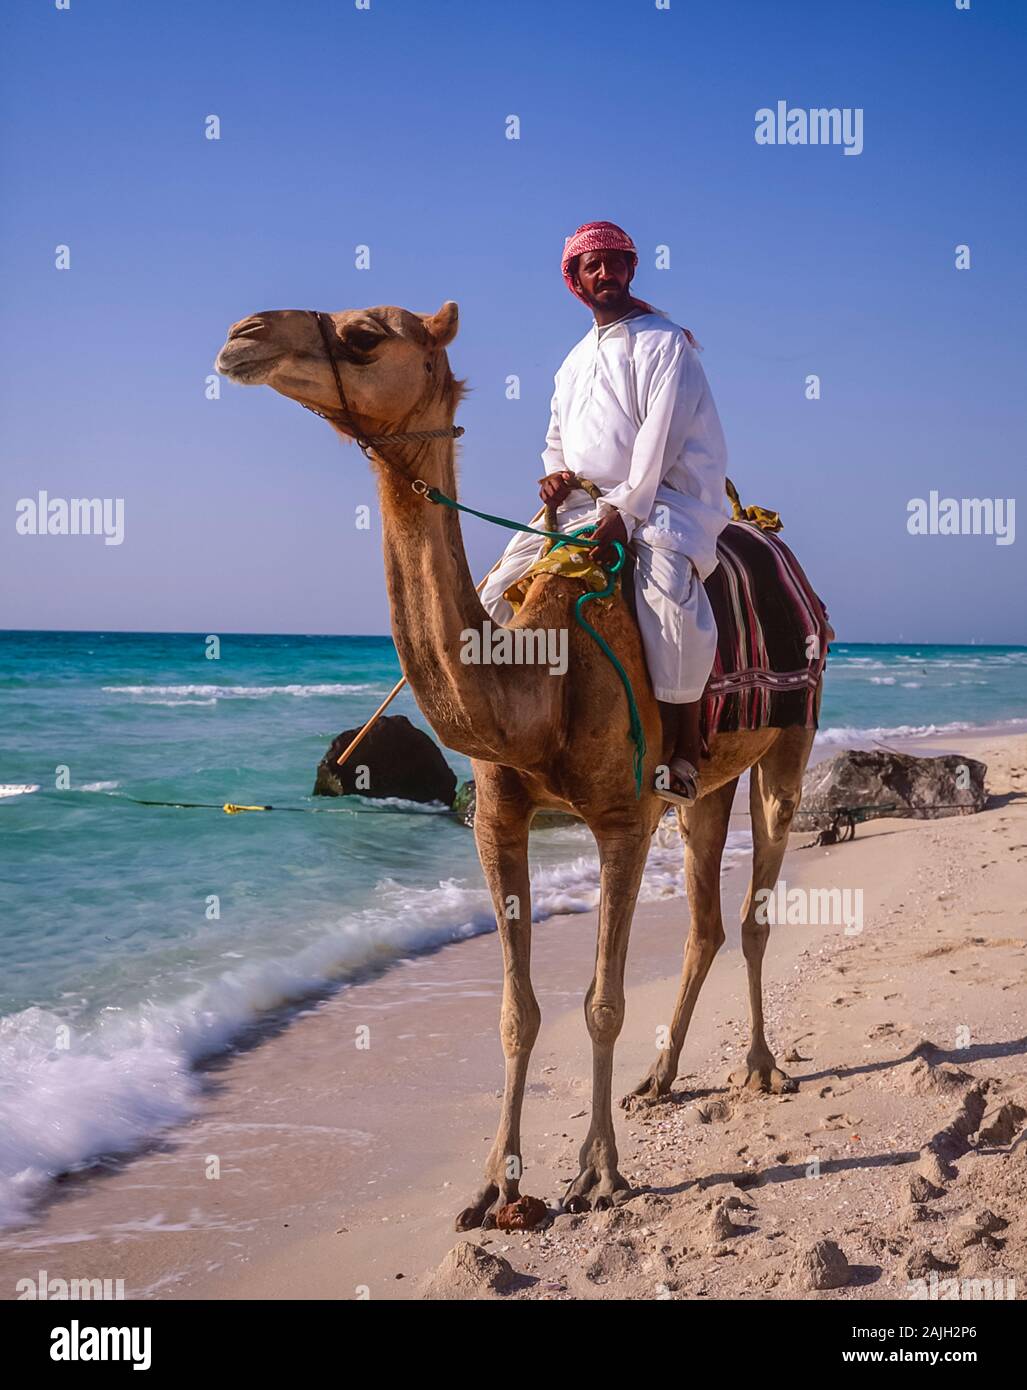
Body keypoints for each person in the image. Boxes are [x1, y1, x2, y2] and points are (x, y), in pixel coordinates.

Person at [480, 220, 730, 804]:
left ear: (630, 269)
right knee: (494, 590)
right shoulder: (570, 363)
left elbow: (660, 438)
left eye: (614, 262)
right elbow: (556, 440)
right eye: (591, 266)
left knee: (668, 599)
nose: (604, 273)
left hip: (665, 499)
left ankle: (685, 752)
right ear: (576, 280)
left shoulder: (665, 342)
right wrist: (555, 476)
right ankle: (520, 736)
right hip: (579, 508)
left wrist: (627, 509)